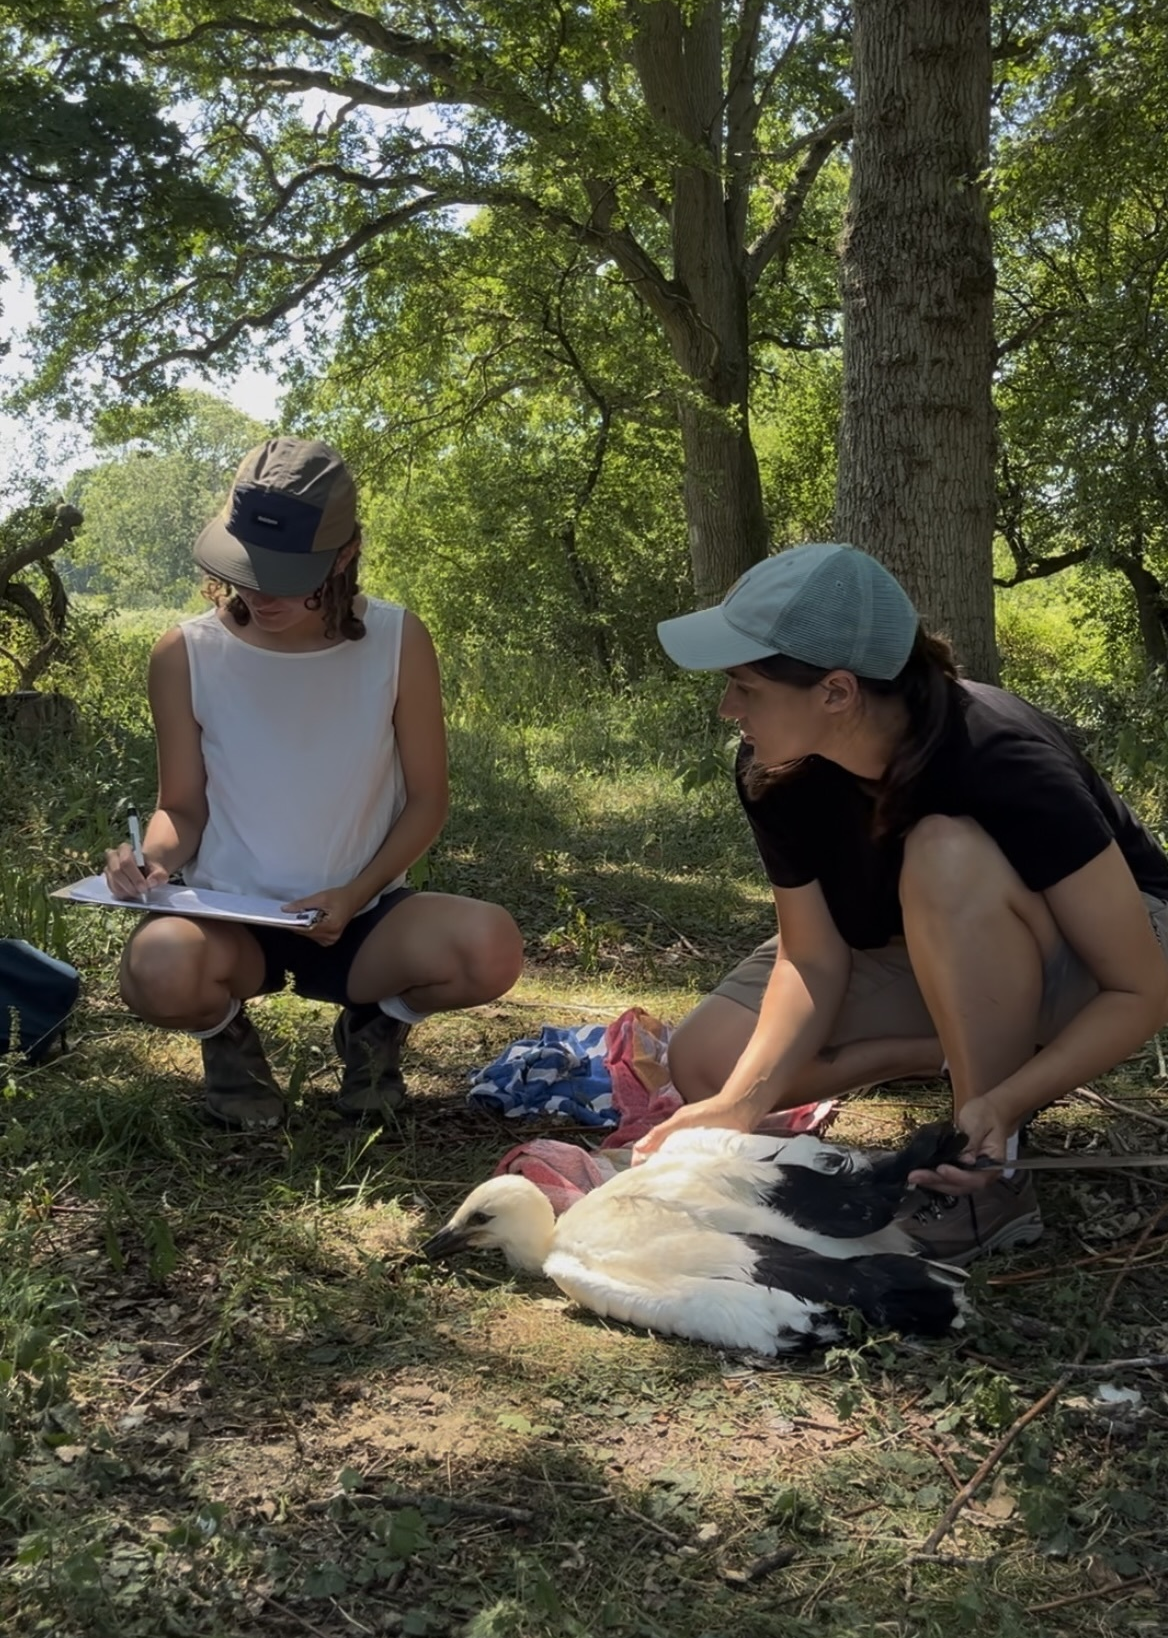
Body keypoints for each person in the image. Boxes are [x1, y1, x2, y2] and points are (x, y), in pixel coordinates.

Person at [635, 543, 1168, 1265]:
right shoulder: (776, 769)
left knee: (946, 851)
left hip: (1110, 947)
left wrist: (1005, 1102)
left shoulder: (999, 757)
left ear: (836, 692)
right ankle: (951, 1052)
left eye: (745, 687)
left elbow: (1140, 988)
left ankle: (988, 1170)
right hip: (939, 943)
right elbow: (811, 957)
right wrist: (741, 1103)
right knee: (709, 1065)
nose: (729, 708)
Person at [103, 437, 524, 1130]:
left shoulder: (398, 641)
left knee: (490, 948)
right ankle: (229, 1044)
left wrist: (355, 893)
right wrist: (152, 861)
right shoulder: (185, 653)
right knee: (158, 967)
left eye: (286, 574)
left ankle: (375, 1025)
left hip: (362, 917)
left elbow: (427, 799)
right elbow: (181, 806)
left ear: (345, 552)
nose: (261, 591)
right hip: (228, 918)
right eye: (247, 569)